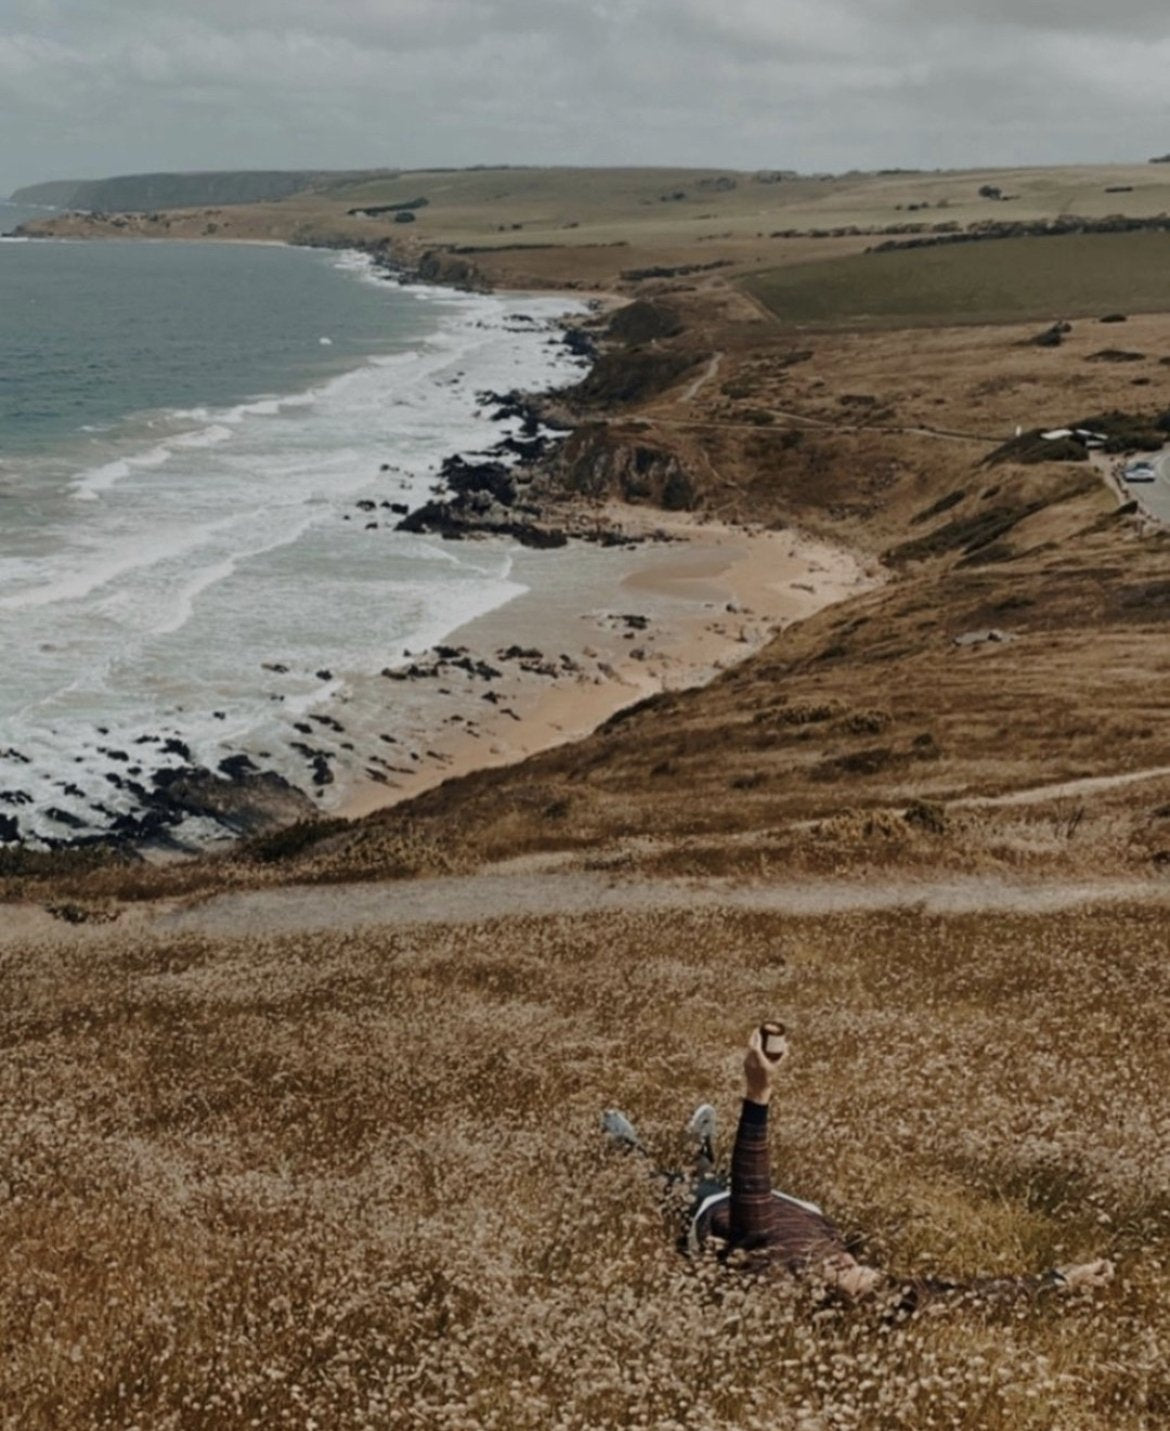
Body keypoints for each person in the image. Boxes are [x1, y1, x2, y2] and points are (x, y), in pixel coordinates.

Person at [602, 1026, 1114, 1308]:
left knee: (672, 1185)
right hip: (789, 1207)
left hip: (715, 1212)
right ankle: (703, 1145)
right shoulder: (854, 1275)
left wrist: (758, 1091)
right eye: (869, 1273)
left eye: (854, 1281)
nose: (856, 1269)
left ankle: (633, 1150)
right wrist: (1058, 1279)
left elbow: (753, 1185)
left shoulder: (768, 1262)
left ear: (824, 1295)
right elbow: (973, 1293)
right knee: (716, 1176)